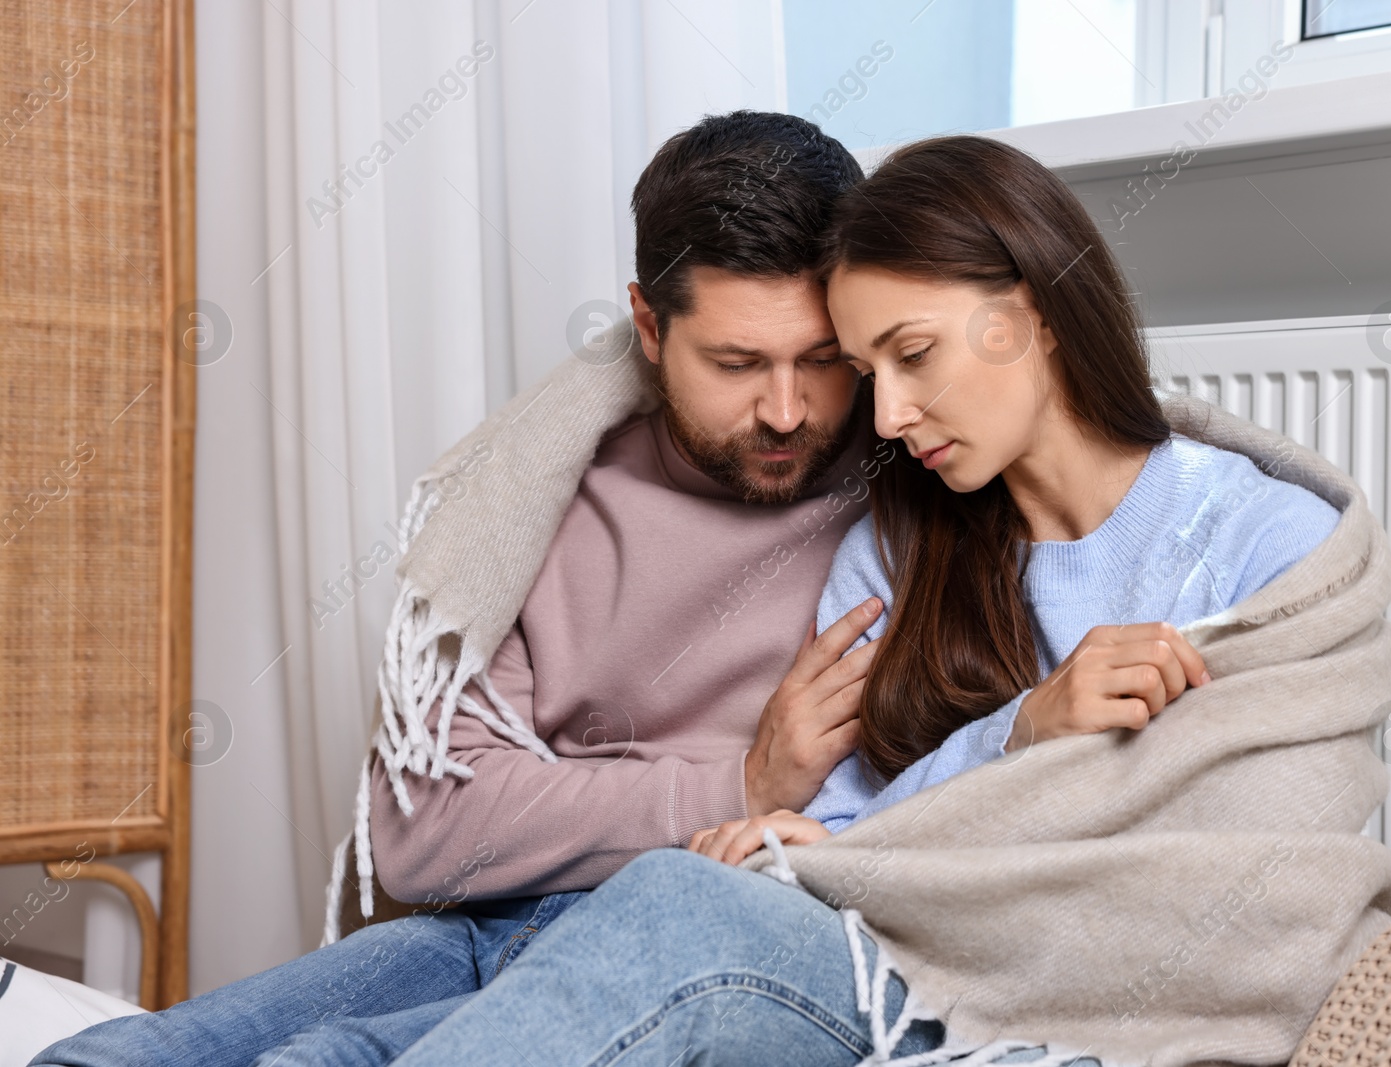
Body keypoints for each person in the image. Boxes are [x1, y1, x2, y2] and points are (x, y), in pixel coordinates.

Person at [381, 134, 1342, 1066]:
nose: (879, 419)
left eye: (911, 355)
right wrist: (1019, 734)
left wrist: (896, 826)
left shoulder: (1265, 538)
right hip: (883, 958)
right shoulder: (894, 548)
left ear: (1037, 313)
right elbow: (839, 847)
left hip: (1005, 996)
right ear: (649, 330)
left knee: (675, 902)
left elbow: (1247, 871)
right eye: (869, 371)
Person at [33, 110, 892, 1067]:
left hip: (711, 923)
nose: (786, 409)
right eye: (736, 364)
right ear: (648, 326)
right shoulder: (531, 497)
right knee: (124, 1057)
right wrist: (729, 784)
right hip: (497, 925)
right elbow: (426, 829)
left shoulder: (911, 484)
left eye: (821, 361)